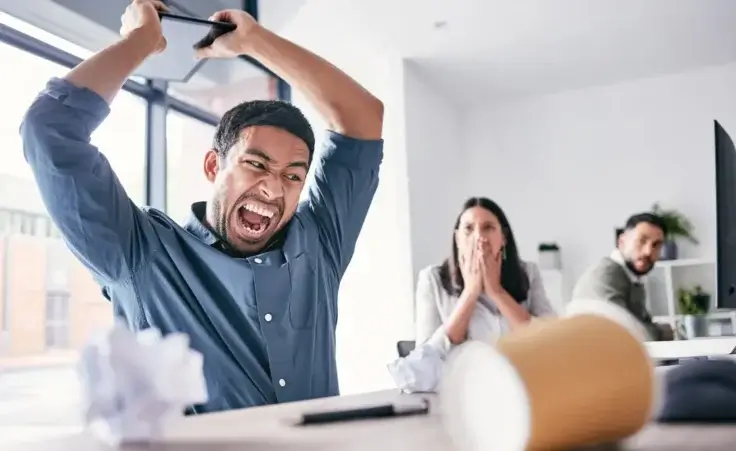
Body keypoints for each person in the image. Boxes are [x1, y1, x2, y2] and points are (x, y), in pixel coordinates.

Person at [20, 0, 384, 413]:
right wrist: (142, 41)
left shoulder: (319, 244)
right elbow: (49, 129)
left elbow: (363, 119)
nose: (272, 187)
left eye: (292, 176)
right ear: (214, 165)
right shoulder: (140, 254)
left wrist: (256, 42)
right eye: (255, 164)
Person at [415, 197, 556, 352]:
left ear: (503, 237)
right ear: (457, 239)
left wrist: (496, 291)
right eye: (468, 229)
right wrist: (470, 292)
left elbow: (550, 340)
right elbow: (425, 358)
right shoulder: (432, 279)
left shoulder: (528, 273)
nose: (479, 238)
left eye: (488, 227)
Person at [572, 213, 674, 341]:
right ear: (621, 242)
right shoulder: (606, 274)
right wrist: (662, 332)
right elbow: (624, 333)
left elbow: (642, 326)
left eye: (656, 245)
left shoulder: (633, 279)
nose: (648, 251)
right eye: (641, 241)